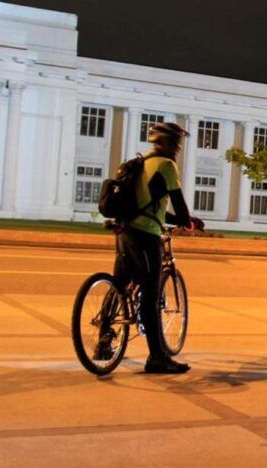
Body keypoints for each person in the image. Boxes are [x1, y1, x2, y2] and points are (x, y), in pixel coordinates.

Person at [105, 122, 204, 374]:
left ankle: (104, 338)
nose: (178, 149)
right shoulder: (166, 166)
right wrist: (189, 221)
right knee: (150, 293)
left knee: (120, 283)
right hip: (146, 235)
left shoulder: (138, 163)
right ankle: (157, 357)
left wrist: (177, 219)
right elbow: (179, 209)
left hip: (125, 230)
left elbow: (150, 207)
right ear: (169, 144)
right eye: (177, 144)